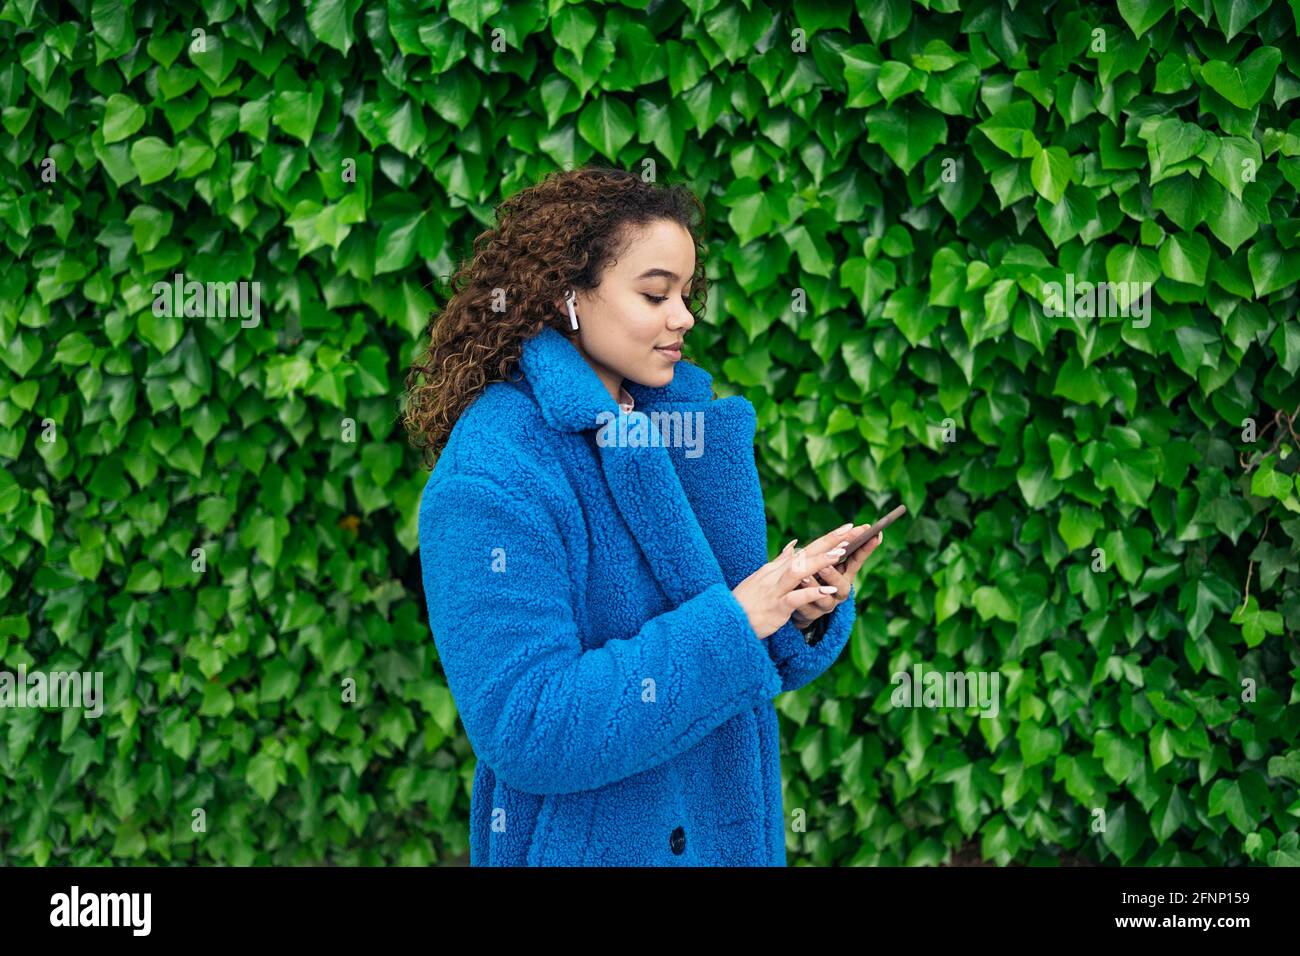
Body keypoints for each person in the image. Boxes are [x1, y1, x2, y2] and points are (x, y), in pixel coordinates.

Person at [403, 165, 882, 866]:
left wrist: (796, 607)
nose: (683, 316)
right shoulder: (494, 474)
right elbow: (529, 727)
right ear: (567, 296)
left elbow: (743, 655)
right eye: (656, 293)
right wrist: (738, 620)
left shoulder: (677, 431)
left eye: (686, 294)